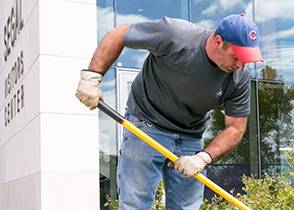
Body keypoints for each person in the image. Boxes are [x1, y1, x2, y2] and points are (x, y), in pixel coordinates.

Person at [76, 14, 263, 210]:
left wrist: (203, 158)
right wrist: (92, 76)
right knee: (135, 205)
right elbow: (120, 34)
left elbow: (235, 129)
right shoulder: (176, 35)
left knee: (187, 207)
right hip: (146, 124)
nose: (241, 65)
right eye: (237, 56)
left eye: (246, 60)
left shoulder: (239, 77)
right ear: (218, 42)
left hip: (190, 137)